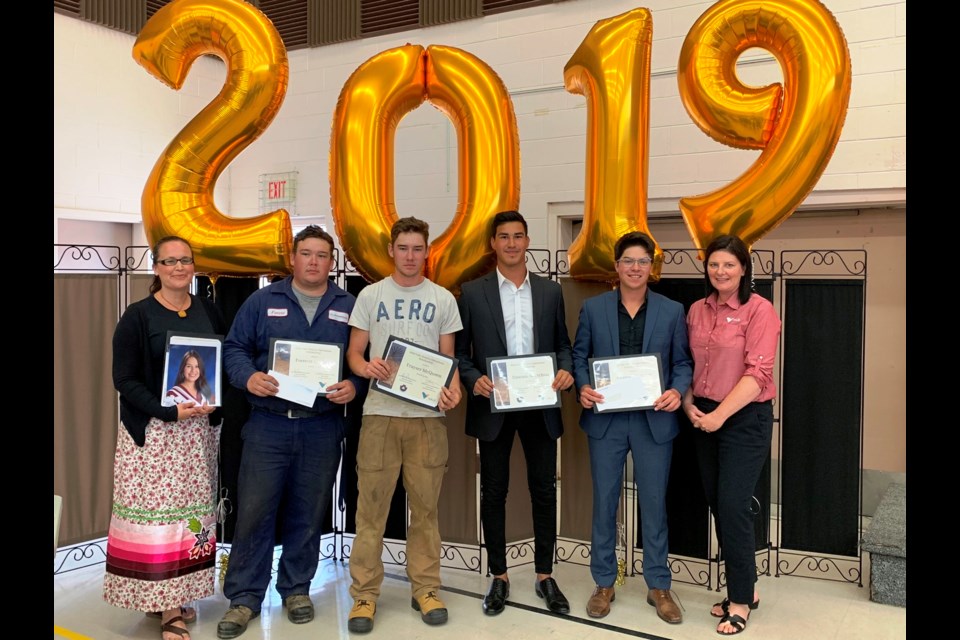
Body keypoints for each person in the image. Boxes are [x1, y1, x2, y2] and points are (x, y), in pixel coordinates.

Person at [216, 226, 361, 639]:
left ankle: (297, 589)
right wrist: (248, 377)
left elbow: (364, 361)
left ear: (332, 263)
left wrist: (355, 385)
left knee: (308, 511)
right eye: (306, 254)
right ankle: (244, 597)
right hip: (268, 426)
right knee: (255, 512)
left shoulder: (350, 305)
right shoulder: (262, 300)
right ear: (292, 259)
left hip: (321, 427)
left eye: (322, 255)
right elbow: (234, 349)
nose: (314, 262)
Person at [104, 236, 226, 640]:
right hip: (155, 438)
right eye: (170, 261)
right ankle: (167, 606)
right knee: (159, 523)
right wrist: (167, 411)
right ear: (155, 267)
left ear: (194, 266)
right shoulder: (138, 316)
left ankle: (179, 591)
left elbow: (216, 366)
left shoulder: (207, 309)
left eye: (186, 261)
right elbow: (124, 380)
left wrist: (211, 401)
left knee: (190, 521)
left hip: (197, 436)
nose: (179, 267)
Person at [345, 216, 463, 634]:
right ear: (391, 251)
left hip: (427, 420)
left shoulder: (443, 298)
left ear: (426, 252)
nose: (411, 256)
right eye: (404, 248)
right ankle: (364, 594)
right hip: (379, 415)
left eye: (418, 248)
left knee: (426, 511)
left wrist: (454, 391)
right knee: (370, 512)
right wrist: (367, 365)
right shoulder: (370, 295)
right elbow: (355, 355)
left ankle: (426, 588)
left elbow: (448, 364)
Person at [455, 210, 574, 616]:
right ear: (493, 243)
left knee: (544, 490)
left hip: (540, 405)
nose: (510, 243)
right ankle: (499, 576)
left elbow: (564, 345)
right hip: (495, 406)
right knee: (493, 492)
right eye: (503, 236)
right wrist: (474, 380)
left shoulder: (550, 292)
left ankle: (545, 575)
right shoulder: (472, 293)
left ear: (527, 241)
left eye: (518, 236)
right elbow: (460, 355)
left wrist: (565, 370)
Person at [571, 231, 692, 625]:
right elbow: (579, 356)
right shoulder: (593, 309)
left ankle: (658, 585)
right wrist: (583, 387)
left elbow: (683, 362)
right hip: (606, 420)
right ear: (617, 267)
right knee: (605, 503)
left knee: (655, 505)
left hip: (654, 420)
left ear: (650, 268)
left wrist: (677, 390)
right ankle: (604, 582)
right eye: (629, 261)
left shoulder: (673, 311)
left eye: (643, 261)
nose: (635, 268)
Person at [682, 234, 781, 636]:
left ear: (744, 268)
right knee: (717, 504)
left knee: (734, 505)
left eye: (729, 265)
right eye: (713, 265)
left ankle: (740, 600)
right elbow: (687, 364)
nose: (720, 272)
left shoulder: (760, 311)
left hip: (743, 417)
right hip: (702, 416)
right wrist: (689, 404)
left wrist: (719, 416)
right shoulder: (696, 310)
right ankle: (747, 588)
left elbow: (758, 375)